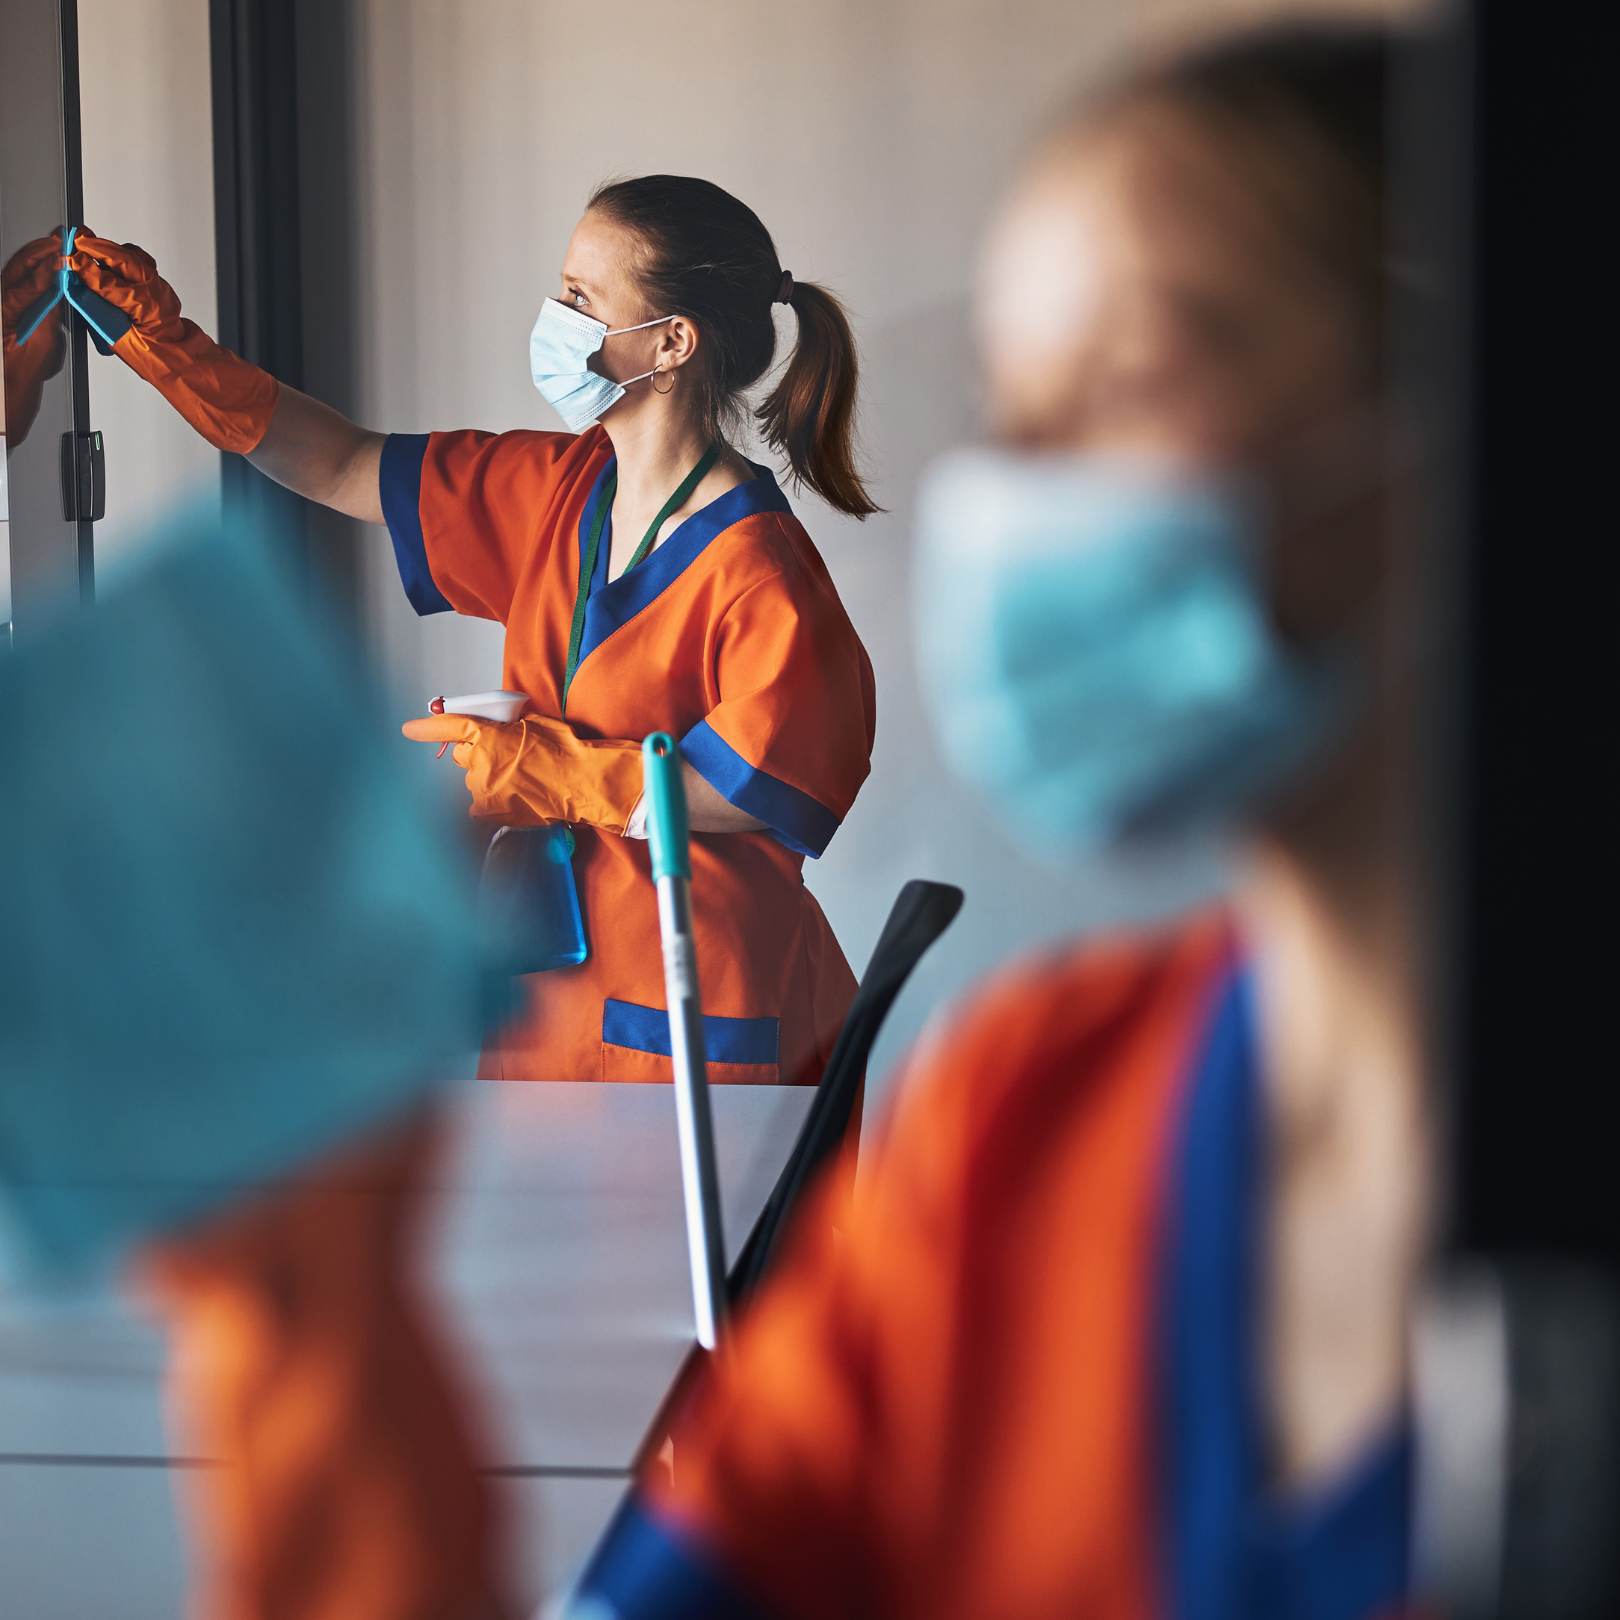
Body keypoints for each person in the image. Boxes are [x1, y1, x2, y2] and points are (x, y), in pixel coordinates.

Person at [572, 23, 1431, 1619]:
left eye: (1130, 378)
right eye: (1014, 400)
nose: (1012, 491)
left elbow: (762, 789)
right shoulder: (1025, 1118)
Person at [66, 174, 878, 1090]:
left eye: (580, 299)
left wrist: (553, 770)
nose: (554, 317)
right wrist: (165, 349)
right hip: (557, 983)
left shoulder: (761, 568)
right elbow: (342, 463)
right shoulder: (562, 492)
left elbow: (768, 790)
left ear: (671, 342)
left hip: (699, 1005)